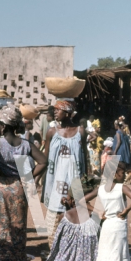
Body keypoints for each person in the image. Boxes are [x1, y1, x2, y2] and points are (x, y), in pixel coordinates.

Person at [0, 104, 48, 261]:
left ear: (3, 125)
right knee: (17, 228)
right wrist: (28, 177)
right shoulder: (25, 144)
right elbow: (44, 161)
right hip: (18, 188)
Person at [42, 100, 88, 248]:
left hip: (75, 180)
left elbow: (84, 157)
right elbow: (45, 158)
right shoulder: (52, 132)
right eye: (54, 110)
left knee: (74, 217)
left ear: (67, 113)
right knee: (54, 221)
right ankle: (54, 253)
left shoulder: (80, 132)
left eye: (58, 110)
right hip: (55, 180)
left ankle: (71, 254)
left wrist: (86, 181)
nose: (55, 112)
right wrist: (42, 180)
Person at [46, 176, 102, 261]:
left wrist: (67, 206)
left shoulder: (65, 217)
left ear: (71, 198)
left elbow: (58, 246)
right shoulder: (95, 217)